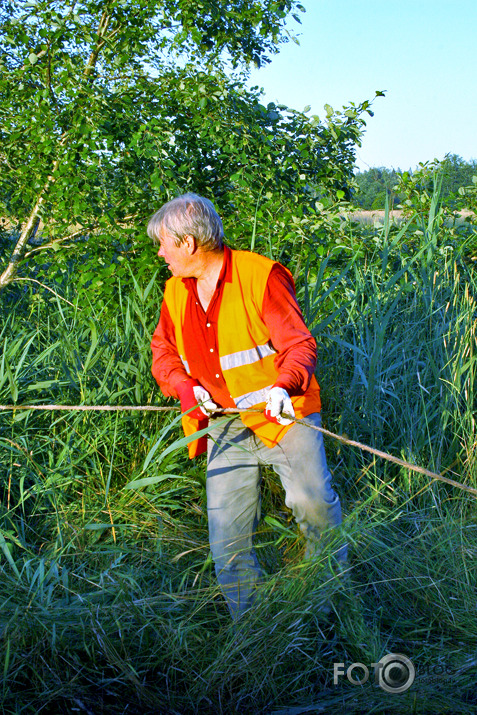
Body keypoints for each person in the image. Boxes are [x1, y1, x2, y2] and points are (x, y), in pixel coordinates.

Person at [149, 193, 345, 620]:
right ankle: (254, 635)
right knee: (227, 539)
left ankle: (330, 616)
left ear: (189, 243)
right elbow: (162, 352)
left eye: (164, 243)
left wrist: (283, 386)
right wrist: (185, 388)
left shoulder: (261, 277)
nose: (160, 252)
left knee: (315, 508)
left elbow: (299, 345)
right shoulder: (175, 291)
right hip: (223, 427)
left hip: (284, 417)